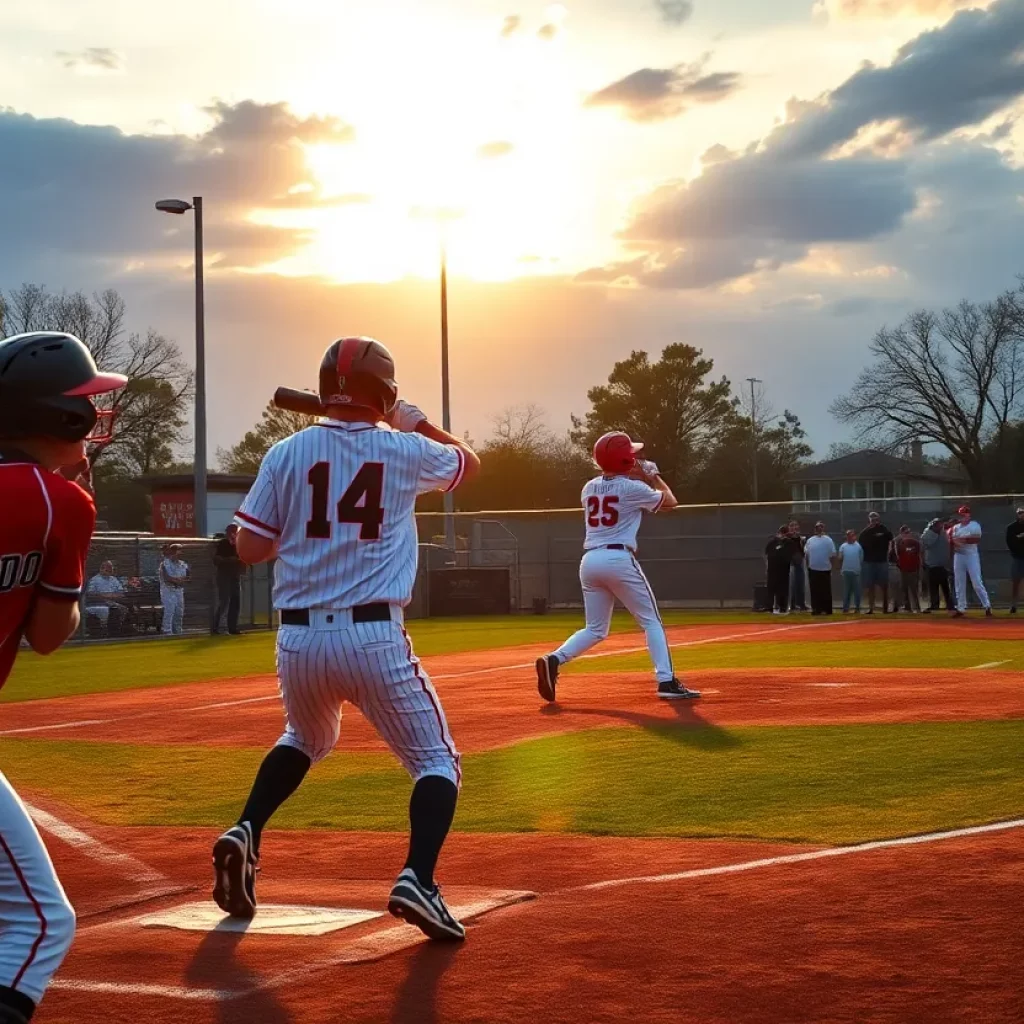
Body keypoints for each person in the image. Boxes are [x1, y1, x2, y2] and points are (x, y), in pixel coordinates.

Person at [211, 336, 480, 942]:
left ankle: (247, 829)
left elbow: (250, 548)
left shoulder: (285, 451)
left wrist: (305, 534)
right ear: (384, 390)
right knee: (437, 761)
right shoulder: (406, 449)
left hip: (298, 641)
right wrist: (419, 422)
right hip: (374, 636)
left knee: (305, 736)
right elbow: (471, 465)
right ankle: (419, 878)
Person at [0, 330, 127, 1024]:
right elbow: (50, 636)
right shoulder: (59, 501)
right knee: (40, 923)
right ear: (58, 419)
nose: (93, 418)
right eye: (84, 406)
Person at [536, 433, 699, 701]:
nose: (636, 458)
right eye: (631, 455)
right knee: (651, 622)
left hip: (590, 561)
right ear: (623, 459)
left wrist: (635, 472)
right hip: (618, 558)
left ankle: (554, 659)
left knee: (595, 628)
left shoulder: (588, 487)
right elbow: (670, 501)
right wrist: (653, 475)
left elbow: (615, 488)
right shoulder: (632, 489)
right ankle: (666, 681)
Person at [950, 505, 992, 618]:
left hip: (971, 555)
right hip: (959, 555)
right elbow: (952, 541)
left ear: (969, 515)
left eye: (965, 513)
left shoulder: (974, 525)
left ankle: (987, 605)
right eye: (961, 514)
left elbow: (976, 539)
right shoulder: (956, 527)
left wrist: (962, 540)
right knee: (959, 582)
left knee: (976, 582)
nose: (962, 516)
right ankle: (961, 608)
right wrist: (954, 541)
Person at [858, 512, 893, 615]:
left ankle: (885, 608)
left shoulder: (884, 529)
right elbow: (860, 545)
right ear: (869, 520)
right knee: (870, 586)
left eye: (876, 519)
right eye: (872, 519)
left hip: (882, 561)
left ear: (879, 519)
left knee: (884, 585)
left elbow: (891, 540)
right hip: (869, 562)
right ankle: (871, 608)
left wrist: (889, 551)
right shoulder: (865, 532)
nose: (874, 521)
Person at [212, 524, 244, 635]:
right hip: (224, 576)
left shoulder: (239, 544)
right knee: (224, 601)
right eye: (232, 531)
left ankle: (232, 628)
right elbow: (216, 559)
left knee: (236, 601)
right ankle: (216, 628)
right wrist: (230, 560)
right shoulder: (223, 543)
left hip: (235, 575)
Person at [85, 560, 127, 635]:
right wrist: (109, 596)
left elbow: (121, 593)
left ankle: (124, 630)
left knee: (128, 608)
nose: (110, 571)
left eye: (111, 569)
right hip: (99, 603)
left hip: (115, 602)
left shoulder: (113, 579)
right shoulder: (94, 580)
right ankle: (111, 633)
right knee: (115, 610)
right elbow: (91, 593)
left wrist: (108, 595)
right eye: (107, 569)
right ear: (101, 569)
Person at [921, 517, 953, 613]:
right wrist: (933, 531)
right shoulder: (929, 534)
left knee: (945, 586)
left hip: (942, 564)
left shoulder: (944, 534)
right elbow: (925, 542)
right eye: (936, 525)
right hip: (932, 564)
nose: (939, 527)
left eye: (939, 525)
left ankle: (950, 605)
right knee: (933, 587)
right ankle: (935, 605)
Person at [804, 521, 836, 615]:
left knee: (826, 591)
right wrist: (808, 566)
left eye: (821, 527)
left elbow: (833, 554)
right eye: (817, 527)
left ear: (823, 528)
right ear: (815, 529)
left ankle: (827, 609)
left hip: (825, 569)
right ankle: (816, 609)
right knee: (815, 590)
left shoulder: (828, 540)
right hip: (813, 569)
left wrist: (832, 567)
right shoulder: (810, 540)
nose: (819, 529)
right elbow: (807, 554)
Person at [159, 544, 190, 634]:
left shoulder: (183, 564)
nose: (179, 553)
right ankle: (167, 631)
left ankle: (178, 631)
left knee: (179, 612)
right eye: (177, 550)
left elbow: (188, 576)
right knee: (170, 610)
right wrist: (177, 580)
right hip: (168, 590)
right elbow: (167, 578)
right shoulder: (165, 564)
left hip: (179, 590)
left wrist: (181, 580)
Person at [764, 526, 793, 616]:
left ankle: (783, 607)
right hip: (772, 570)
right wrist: (767, 566)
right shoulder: (772, 542)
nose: (782, 534)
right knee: (771, 589)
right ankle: (769, 607)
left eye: (784, 532)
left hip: (783, 570)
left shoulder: (789, 543)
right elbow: (766, 555)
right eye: (782, 532)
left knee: (783, 590)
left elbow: (790, 556)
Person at [894, 525, 922, 614]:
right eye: (905, 533)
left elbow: (919, 553)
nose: (907, 534)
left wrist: (919, 565)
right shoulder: (898, 542)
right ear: (901, 533)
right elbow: (896, 555)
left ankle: (916, 607)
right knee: (905, 588)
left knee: (913, 589)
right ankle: (908, 607)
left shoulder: (915, 542)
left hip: (913, 568)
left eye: (908, 532)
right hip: (904, 569)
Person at [837, 529, 863, 614]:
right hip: (846, 571)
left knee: (857, 591)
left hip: (856, 572)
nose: (850, 537)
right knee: (846, 591)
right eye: (848, 535)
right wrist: (840, 566)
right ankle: (845, 608)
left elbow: (861, 559)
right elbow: (840, 558)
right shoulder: (843, 546)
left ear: (854, 536)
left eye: (851, 535)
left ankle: (857, 608)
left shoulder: (858, 546)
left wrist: (859, 568)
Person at [786, 520, 808, 612]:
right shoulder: (787, 539)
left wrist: (801, 540)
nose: (794, 528)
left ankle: (801, 604)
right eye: (792, 526)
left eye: (795, 526)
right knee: (792, 585)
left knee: (801, 584)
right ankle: (792, 604)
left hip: (800, 563)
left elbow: (804, 551)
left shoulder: (801, 539)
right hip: (791, 564)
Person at [1005, 507, 1024, 613]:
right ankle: (1014, 605)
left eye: (1023, 513)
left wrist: (1020, 537)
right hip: (1018, 558)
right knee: (1016, 581)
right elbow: (1011, 542)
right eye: (1020, 513)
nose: (1022, 515)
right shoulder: (1012, 527)